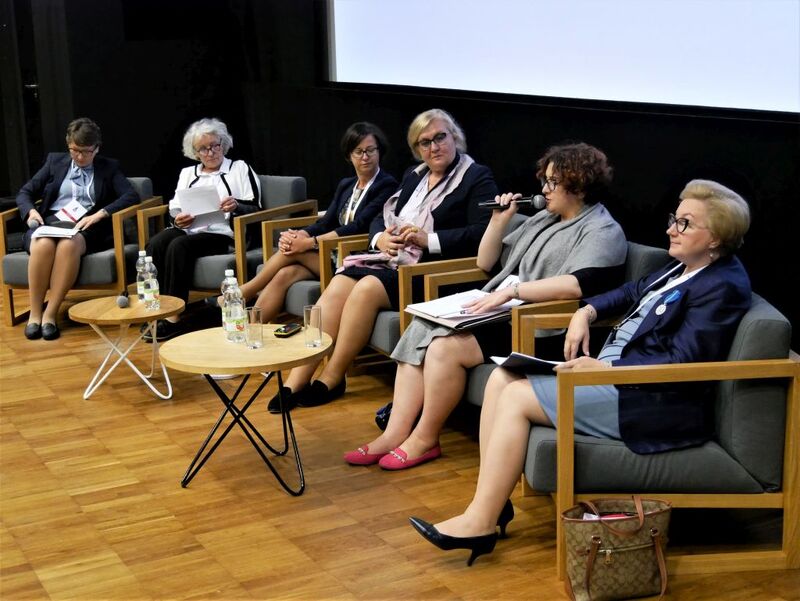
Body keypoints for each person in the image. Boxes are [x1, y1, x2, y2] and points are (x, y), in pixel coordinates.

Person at [408, 179, 752, 566]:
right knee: (502, 377)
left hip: (649, 400)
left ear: (715, 237)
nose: (671, 228)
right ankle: (492, 506)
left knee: (517, 396)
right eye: (675, 218)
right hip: (617, 380)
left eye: (685, 223)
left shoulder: (723, 286)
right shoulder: (682, 267)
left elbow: (683, 361)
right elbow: (630, 292)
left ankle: (479, 523)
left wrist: (607, 367)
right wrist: (585, 312)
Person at [344, 142, 628, 470]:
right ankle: (393, 433)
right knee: (421, 326)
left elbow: (577, 285)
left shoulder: (602, 229)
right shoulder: (543, 219)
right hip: (506, 313)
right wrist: (498, 221)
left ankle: (424, 438)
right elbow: (485, 261)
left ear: (579, 184)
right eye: (545, 181)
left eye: (553, 182)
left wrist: (512, 292)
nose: (544, 190)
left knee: (444, 348)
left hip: (543, 326)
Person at [269, 108, 498, 413]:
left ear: (454, 137)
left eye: (440, 137)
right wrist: (381, 238)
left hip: (435, 272)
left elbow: (481, 233)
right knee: (339, 283)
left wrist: (427, 239)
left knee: (366, 287)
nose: (434, 147)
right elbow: (382, 216)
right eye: (425, 142)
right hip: (393, 260)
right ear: (417, 149)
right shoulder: (415, 175)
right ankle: (297, 379)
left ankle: (333, 377)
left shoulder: (476, 176)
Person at [214, 122, 397, 322]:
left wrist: (309, 243)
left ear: (379, 151)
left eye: (370, 150)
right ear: (349, 155)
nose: (365, 157)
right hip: (330, 252)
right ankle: (251, 328)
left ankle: (243, 292)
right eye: (358, 151)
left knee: (293, 251)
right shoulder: (346, 185)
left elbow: (359, 226)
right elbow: (325, 222)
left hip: (356, 257)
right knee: (285, 274)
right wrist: (300, 234)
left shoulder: (386, 185)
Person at [16, 117, 139, 341]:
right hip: (49, 223)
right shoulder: (54, 162)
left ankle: (50, 314)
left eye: (86, 152)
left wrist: (101, 213)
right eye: (75, 150)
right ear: (68, 144)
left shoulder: (108, 167)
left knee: (68, 245)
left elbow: (131, 195)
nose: (80, 157)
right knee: (42, 244)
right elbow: (25, 192)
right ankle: (35, 314)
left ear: (96, 148)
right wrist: (30, 212)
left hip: (85, 226)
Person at [145, 117, 261, 340]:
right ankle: (157, 311)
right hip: (191, 229)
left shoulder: (239, 168)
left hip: (223, 233)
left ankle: (173, 318)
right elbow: (174, 208)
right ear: (195, 152)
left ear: (223, 144)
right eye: (203, 149)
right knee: (157, 243)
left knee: (179, 246)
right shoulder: (188, 173)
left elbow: (256, 206)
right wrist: (178, 219)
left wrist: (236, 205)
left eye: (215, 145)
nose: (211, 152)